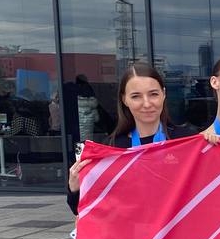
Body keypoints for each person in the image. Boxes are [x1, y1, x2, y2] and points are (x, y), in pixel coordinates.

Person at [66, 63, 200, 214]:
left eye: (153, 94)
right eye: (136, 96)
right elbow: (85, 209)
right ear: (124, 99)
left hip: (177, 227)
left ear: (163, 94)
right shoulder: (112, 147)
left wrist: (214, 146)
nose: (147, 104)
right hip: (132, 228)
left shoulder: (187, 140)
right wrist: (75, 188)